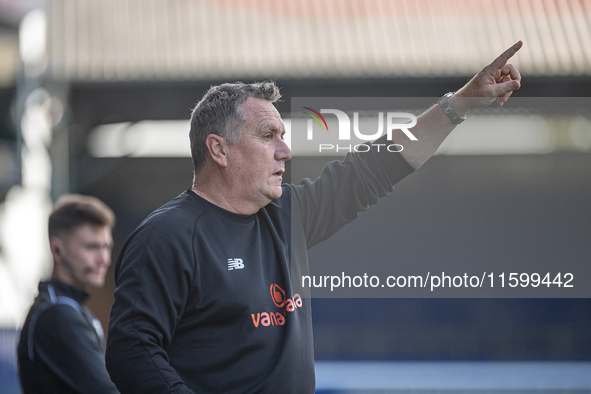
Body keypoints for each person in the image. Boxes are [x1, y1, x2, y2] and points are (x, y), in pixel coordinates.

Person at [106, 42, 523, 393]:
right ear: (219, 150)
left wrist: (461, 103)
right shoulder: (167, 235)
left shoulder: (288, 214)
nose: (284, 151)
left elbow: (374, 168)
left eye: (282, 138)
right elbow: (131, 352)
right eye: (268, 136)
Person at [17, 194, 119, 393]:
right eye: (92, 247)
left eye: (106, 247)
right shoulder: (57, 315)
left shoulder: (69, 310)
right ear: (57, 250)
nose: (104, 259)